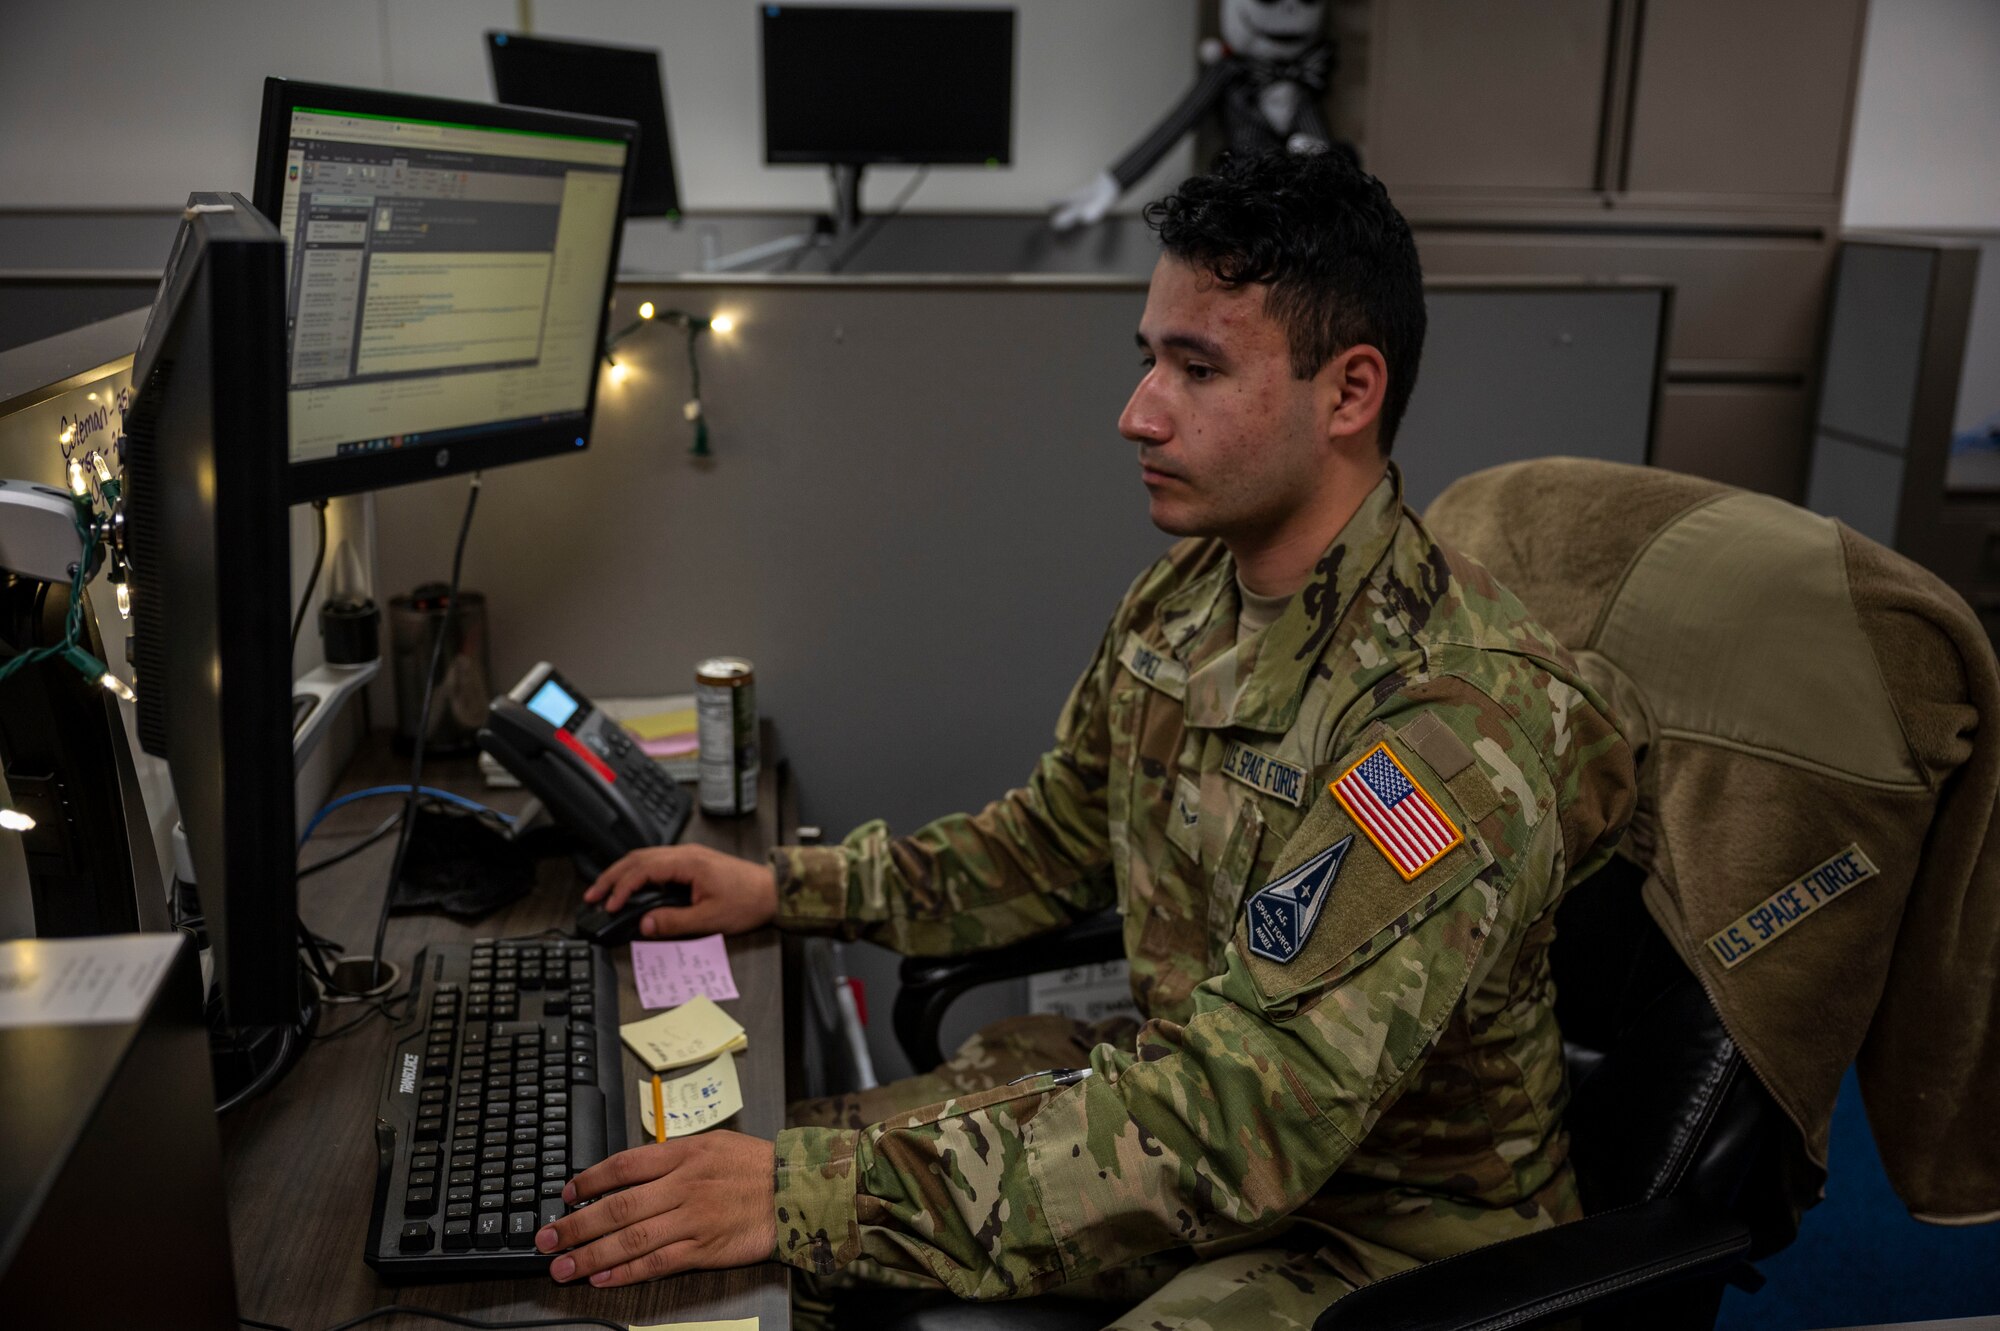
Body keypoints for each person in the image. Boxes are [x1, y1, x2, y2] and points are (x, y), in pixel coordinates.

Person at [531, 149, 1639, 1326]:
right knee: (702, 1196)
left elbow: (1241, 1122)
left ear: (1348, 393)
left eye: (1196, 367)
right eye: (1148, 357)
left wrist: (805, 1196)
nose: (1136, 412)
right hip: (1187, 1119)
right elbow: (1048, 841)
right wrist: (782, 884)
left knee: (779, 1208)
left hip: (1384, 1232)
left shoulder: (1444, 721)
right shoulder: (1184, 601)